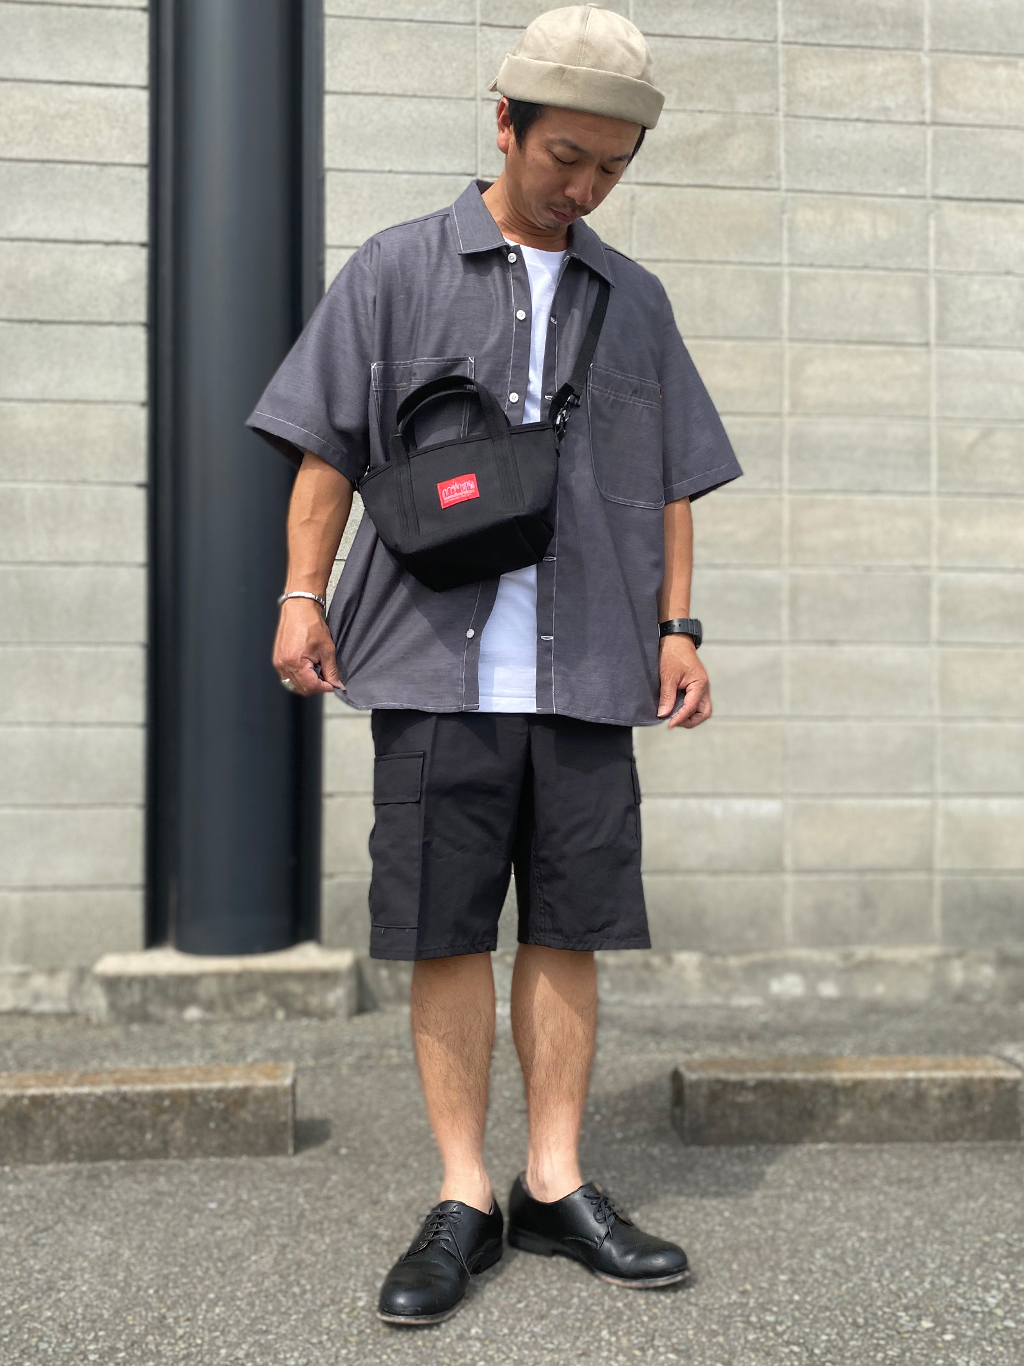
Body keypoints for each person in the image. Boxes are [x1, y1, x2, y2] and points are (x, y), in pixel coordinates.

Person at [248, 3, 741, 1327]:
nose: (584, 187)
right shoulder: (398, 268)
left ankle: (555, 1179)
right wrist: (301, 593)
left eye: (611, 169)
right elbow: (329, 447)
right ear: (506, 121)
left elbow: (675, 479)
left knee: (573, 925)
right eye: (564, 156)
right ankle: (464, 1193)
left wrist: (678, 629)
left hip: (588, 671)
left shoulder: (635, 301)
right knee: (443, 927)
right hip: (428, 662)